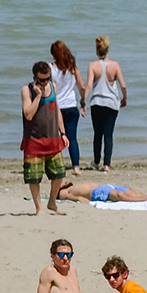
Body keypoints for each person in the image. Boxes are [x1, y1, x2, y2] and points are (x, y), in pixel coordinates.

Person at [21, 60, 68, 214]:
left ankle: (52, 202)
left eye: (48, 78)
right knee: (34, 177)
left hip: (53, 138)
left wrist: (63, 133)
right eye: (42, 80)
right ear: (35, 78)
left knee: (59, 173)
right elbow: (28, 114)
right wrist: (38, 96)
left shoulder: (53, 86)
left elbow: (57, 110)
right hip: (34, 140)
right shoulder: (27, 90)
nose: (45, 82)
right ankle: (38, 208)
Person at [85, 36, 126, 170]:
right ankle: (107, 164)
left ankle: (96, 162)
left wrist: (83, 101)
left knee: (97, 134)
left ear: (97, 50)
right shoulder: (115, 65)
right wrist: (124, 98)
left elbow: (89, 85)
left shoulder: (93, 66)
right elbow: (123, 85)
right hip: (111, 103)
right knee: (108, 134)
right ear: (107, 50)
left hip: (97, 102)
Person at [50, 40, 85, 172]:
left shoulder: (50, 68)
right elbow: (81, 87)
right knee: (72, 138)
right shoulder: (72, 68)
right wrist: (83, 101)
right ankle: (76, 167)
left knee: (56, 137)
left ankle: (56, 164)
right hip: (71, 106)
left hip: (57, 107)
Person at [56, 181, 147, 205]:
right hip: (97, 193)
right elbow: (78, 198)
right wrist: (88, 201)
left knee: (134, 192)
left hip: (105, 186)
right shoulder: (63, 192)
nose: (63, 182)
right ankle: (146, 200)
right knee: (120, 196)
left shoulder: (72, 186)